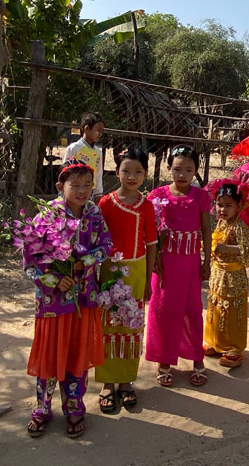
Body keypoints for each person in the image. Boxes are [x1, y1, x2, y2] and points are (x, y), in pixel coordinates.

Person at [25, 159, 111, 439]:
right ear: (61, 186)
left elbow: (106, 245)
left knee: (76, 353)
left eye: (88, 185)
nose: (83, 190)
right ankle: (43, 408)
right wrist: (54, 280)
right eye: (75, 185)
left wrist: (86, 259)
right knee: (51, 354)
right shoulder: (47, 215)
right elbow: (31, 257)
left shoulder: (94, 214)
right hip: (53, 302)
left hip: (83, 298)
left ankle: (74, 406)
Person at [95, 147, 157, 412]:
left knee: (132, 325)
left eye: (138, 171)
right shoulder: (106, 203)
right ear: (117, 171)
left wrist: (148, 280)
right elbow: (96, 241)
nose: (132, 176)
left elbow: (152, 243)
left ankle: (127, 381)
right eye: (126, 171)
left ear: (145, 174)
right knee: (108, 326)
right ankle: (107, 382)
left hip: (138, 270)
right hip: (111, 270)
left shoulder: (147, 205)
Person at [146, 145, 212, 387]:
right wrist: (153, 260)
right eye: (177, 169)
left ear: (195, 171)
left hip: (191, 262)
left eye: (188, 169)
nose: (182, 174)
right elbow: (150, 231)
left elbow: (206, 229)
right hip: (164, 263)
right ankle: (164, 361)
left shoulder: (201, 196)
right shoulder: (157, 196)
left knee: (193, 310)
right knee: (163, 310)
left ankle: (197, 358)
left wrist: (208, 261)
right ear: (168, 168)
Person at [203, 182, 249, 368]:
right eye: (219, 204)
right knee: (215, 307)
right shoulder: (221, 223)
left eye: (228, 205)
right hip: (218, 274)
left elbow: (246, 250)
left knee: (232, 311)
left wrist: (225, 247)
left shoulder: (239, 226)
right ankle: (215, 342)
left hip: (234, 277)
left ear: (238, 206)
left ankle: (234, 347)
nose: (223, 209)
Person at [64, 111, 105, 202]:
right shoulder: (74, 148)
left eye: (102, 131)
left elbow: (98, 174)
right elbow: (64, 172)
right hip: (74, 192)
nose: (100, 134)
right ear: (87, 129)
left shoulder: (98, 152)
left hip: (90, 194)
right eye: (98, 130)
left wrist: (98, 193)